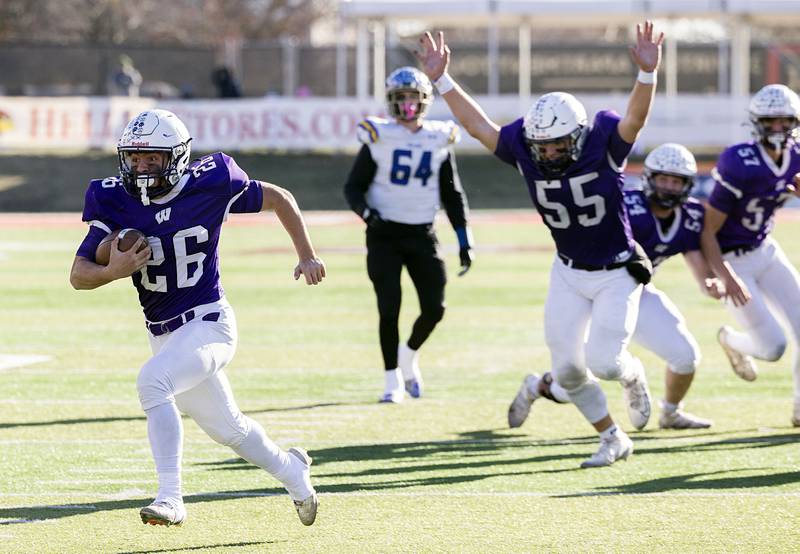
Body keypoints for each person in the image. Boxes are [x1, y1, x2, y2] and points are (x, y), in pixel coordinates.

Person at [416, 21, 663, 467]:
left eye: (556, 146)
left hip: (616, 271)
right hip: (568, 271)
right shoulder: (526, 146)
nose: (547, 154)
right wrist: (441, 80)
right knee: (569, 371)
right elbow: (479, 128)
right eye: (541, 146)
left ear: (580, 135)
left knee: (606, 363)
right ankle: (612, 437)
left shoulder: (604, 140)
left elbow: (635, 119)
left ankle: (633, 374)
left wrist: (646, 75)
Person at [69, 109, 325, 527]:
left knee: (153, 382)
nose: (141, 167)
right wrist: (111, 271)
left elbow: (279, 198)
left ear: (177, 156)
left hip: (209, 323)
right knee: (231, 430)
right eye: (134, 158)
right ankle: (294, 473)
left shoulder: (212, 181)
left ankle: (171, 498)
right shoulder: (114, 198)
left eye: (152, 158)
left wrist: (307, 254)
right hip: (165, 335)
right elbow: (79, 275)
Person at [509, 143, 722, 430]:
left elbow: (694, 253)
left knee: (686, 357)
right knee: (576, 375)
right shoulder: (627, 205)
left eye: (676, 181)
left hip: (636, 292)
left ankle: (670, 413)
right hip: (594, 285)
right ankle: (538, 386)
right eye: (663, 179)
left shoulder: (691, 215)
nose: (669, 187)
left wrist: (709, 281)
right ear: (650, 178)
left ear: (687, 185)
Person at [344, 66, 473, 403]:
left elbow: (452, 193)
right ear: (391, 100)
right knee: (389, 308)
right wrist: (370, 216)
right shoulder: (379, 135)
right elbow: (353, 187)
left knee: (435, 308)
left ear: (424, 100)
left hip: (423, 234)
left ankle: (408, 354)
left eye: (413, 97)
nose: (407, 104)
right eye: (400, 98)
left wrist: (463, 237)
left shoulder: (439, 136)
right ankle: (392, 381)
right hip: (384, 234)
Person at [700, 84, 800, 425]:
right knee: (773, 348)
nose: (777, 129)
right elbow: (707, 231)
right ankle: (730, 339)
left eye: (784, 121)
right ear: (757, 123)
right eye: (770, 121)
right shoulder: (739, 161)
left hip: (765, 250)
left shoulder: (797, 156)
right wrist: (725, 276)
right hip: (731, 259)